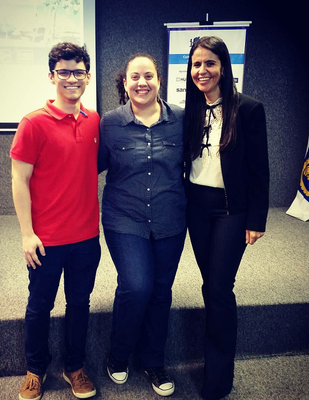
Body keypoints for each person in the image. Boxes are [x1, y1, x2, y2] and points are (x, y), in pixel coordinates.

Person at [10, 42, 101, 400]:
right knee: (40, 305)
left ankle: (74, 366)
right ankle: (35, 369)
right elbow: (19, 180)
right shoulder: (33, 123)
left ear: (87, 76)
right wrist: (27, 234)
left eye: (78, 71)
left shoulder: (94, 120)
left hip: (85, 237)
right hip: (45, 239)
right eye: (63, 71)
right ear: (51, 76)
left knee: (80, 304)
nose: (71, 78)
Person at [184, 36, 269, 400]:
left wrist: (257, 219)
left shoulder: (248, 108)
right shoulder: (189, 109)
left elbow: (259, 169)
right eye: (196, 65)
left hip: (231, 209)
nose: (202, 71)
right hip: (196, 207)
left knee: (219, 289)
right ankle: (213, 357)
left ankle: (218, 378)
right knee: (210, 285)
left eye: (209, 64)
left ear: (223, 67)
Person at [98, 53, 187, 397]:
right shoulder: (110, 122)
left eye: (148, 76)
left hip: (170, 218)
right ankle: (118, 355)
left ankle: (153, 360)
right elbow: (89, 166)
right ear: (125, 83)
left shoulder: (180, 118)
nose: (142, 83)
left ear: (159, 80)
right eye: (134, 77)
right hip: (124, 217)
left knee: (160, 291)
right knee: (136, 286)